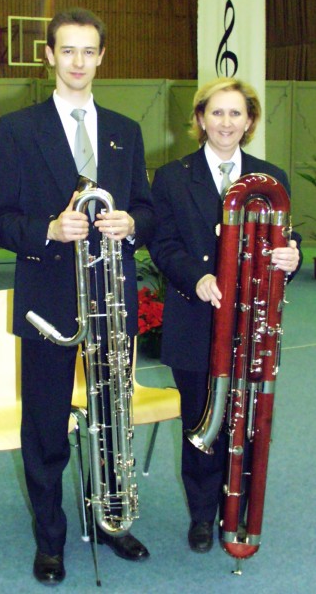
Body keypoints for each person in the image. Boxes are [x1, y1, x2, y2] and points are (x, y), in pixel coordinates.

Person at [0, 8, 155, 586]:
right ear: (50, 56)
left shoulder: (125, 131)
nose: (79, 62)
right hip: (48, 303)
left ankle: (112, 519)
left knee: (114, 418)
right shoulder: (17, 128)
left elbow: (147, 208)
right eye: (68, 51)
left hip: (114, 304)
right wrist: (48, 230)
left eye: (90, 52)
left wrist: (132, 223)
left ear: (102, 57)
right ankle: (51, 539)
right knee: (46, 426)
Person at [149, 77, 301, 555]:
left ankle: (237, 509)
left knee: (249, 422)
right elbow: (164, 244)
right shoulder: (172, 177)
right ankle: (201, 515)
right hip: (195, 320)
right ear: (199, 119)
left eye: (236, 113)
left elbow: (281, 247)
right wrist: (197, 278)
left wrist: (289, 260)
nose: (226, 122)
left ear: (250, 121)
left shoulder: (271, 178)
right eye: (216, 112)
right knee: (204, 425)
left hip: (252, 328)